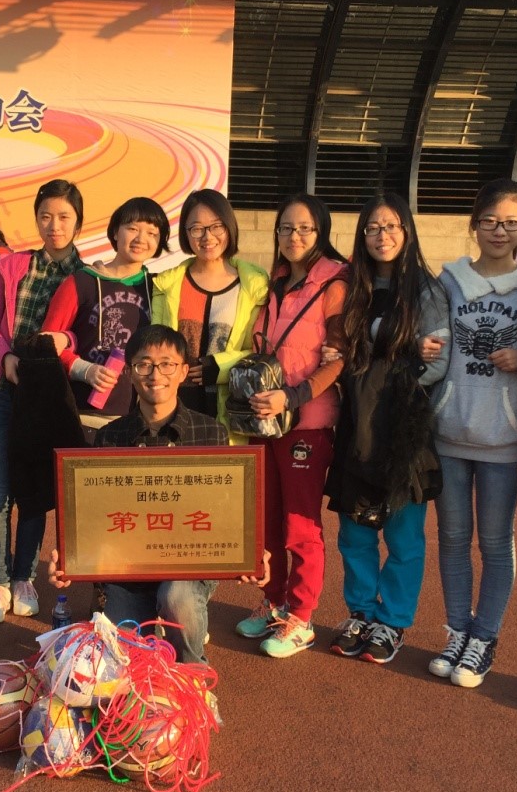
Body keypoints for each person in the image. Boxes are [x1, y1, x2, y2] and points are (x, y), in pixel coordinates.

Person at [419, 180, 517, 686]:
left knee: (495, 541)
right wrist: (422, 346)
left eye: (512, 222)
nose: (499, 230)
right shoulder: (449, 281)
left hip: (504, 438)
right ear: (474, 225)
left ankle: (484, 637)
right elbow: (428, 338)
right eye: (490, 220)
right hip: (449, 430)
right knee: (452, 538)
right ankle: (457, 631)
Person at [49, 324, 233, 663]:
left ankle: (192, 671)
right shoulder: (110, 437)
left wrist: (251, 549)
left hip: (187, 565)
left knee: (177, 596)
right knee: (126, 661)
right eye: (144, 364)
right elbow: (95, 515)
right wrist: (69, 555)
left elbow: (225, 510)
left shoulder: (211, 433)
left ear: (183, 371)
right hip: (129, 570)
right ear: (130, 372)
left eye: (167, 364)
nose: (155, 374)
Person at [324, 192, 448, 666]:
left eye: (391, 226)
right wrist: (397, 353)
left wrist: (386, 368)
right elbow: (337, 349)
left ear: (407, 231)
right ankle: (360, 612)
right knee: (354, 531)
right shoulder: (350, 287)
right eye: (373, 227)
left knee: (403, 533)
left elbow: (439, 362)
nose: (382, 235)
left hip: (402, 427)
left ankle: (392, 621)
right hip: (356, 422)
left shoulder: (427, 291)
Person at [233, 193, 349, 658]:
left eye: (304, 228)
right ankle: (274, 602)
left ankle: (301, 618)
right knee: (266, 521)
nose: (294, 236)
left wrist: (294, 397)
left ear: (321, 232)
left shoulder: (335, 283)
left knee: (300, 525)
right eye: (286, 227)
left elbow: (337, 360)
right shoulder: (274, 282)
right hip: (264, 418)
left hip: (306, 422)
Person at [0, 179, 85, 623]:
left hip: (45, 397)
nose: (54, 225)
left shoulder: (86, 276)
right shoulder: (14, 265)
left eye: (64, 217)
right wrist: (5, 357)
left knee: (34, 493)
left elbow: (85, 336)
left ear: (78, 222)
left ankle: (24, 578)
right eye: (45, 216)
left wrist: (66, 339)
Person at [151, 189, 269, 440]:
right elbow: (155, 347)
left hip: (228, 411)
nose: (207, 237)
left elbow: (261, 351)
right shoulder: (167, 284)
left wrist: (219, 367)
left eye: (216, 227)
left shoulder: (254, 286)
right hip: (174, 410)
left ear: (229, 227)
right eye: (197, 229)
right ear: (186, 233)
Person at [41, 197, 168, 426]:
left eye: (152, 233)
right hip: (84, 415)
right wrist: (85, 370)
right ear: (116, 232)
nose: (141, 239)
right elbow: (45, 344)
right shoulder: (81, 282)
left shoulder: (158, 289)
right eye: (132, 229)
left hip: (141, 419)